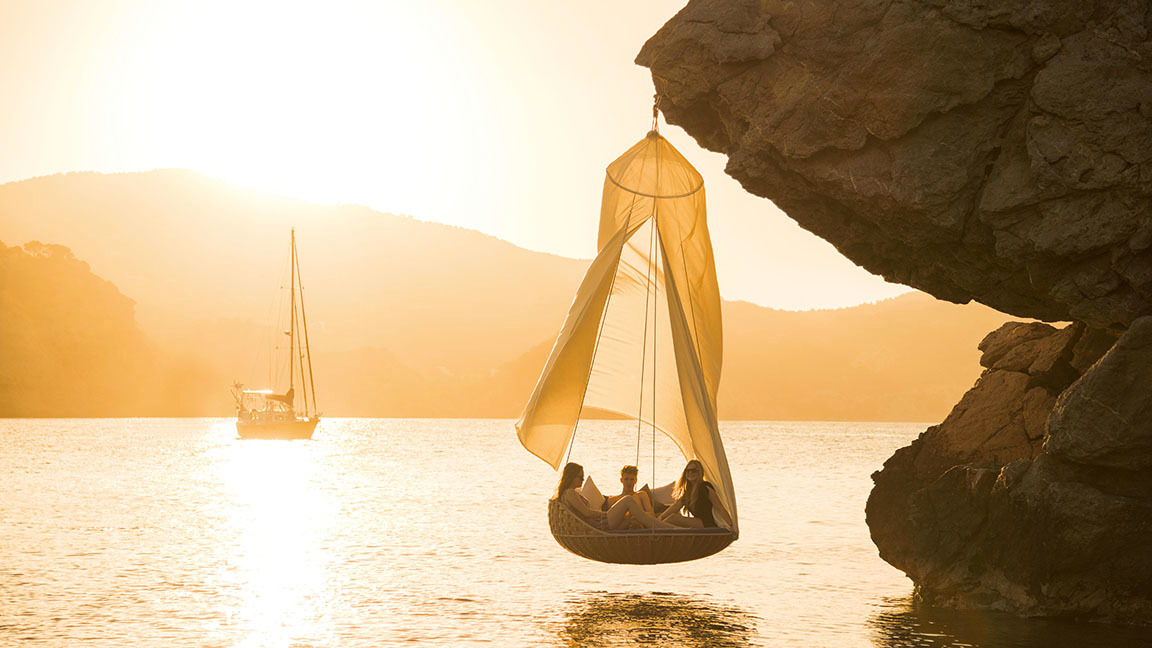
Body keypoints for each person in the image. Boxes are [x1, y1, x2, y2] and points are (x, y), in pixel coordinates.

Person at [554, 462, 676, 531]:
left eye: (583, 477)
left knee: (630, 506)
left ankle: (666, 527)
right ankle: (667, 528)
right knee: (628, 500)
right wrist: (605, 514)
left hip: (600, 523)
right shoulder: (570, 492)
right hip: (599, 524)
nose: (582, 480)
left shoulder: (568, 493)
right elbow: (586, 513)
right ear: (571, 477)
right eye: (580, 477)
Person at [659, 459, 733, 529]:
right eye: (688, 471)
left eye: (694, 470)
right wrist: (660, 517)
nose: (690, 473)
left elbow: (719, 508)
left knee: (673, 518)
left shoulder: (705, 488)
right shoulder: (689, 491)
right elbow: (676, 506)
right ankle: (657, 527)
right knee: (667, 517)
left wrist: (731, 525)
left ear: (699, 472)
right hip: (697, 522)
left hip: (707, 523)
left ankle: (657, 529)